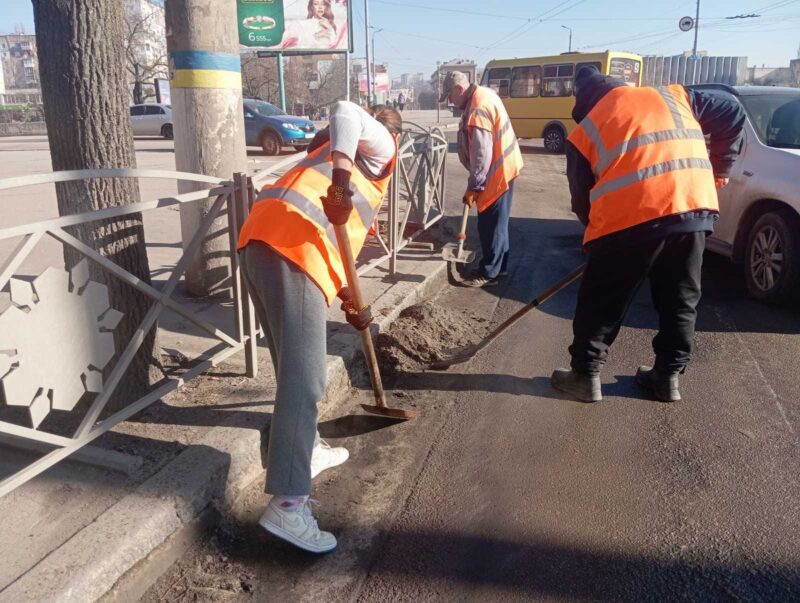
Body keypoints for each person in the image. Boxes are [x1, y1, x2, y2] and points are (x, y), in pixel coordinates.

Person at [237, 101, 402, 553]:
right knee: (306, 379)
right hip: (293, 249)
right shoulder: (380, 150)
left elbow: (338, 240)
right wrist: (343, 183)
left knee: (290, 365)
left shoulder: (322, 155)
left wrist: (349, 297)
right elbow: (345, 109)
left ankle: (307, 449)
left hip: (260, 241)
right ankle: (288, 506)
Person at [550, 66, 745, 403]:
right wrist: (721, 166)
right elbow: (732, 109)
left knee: (602, 301)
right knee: (680, 298)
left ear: (582, 102)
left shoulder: (586, 129)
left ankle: (584, 376)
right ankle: (667, 377)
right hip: (691, 207)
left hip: (629, 219)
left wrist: (597, 243)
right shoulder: (673, 95)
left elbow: (582, 200)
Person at [441, 71, 524, 287]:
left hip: (495, 172)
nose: (450, 101)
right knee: (499, 223)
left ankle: (489, 273)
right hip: (504, 166)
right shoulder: (484, 94)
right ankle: (499, 267)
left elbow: (481, 153)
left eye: (450, 95)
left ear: (459, 89)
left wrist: (475, 186)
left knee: (490, 225)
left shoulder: (477, 107)